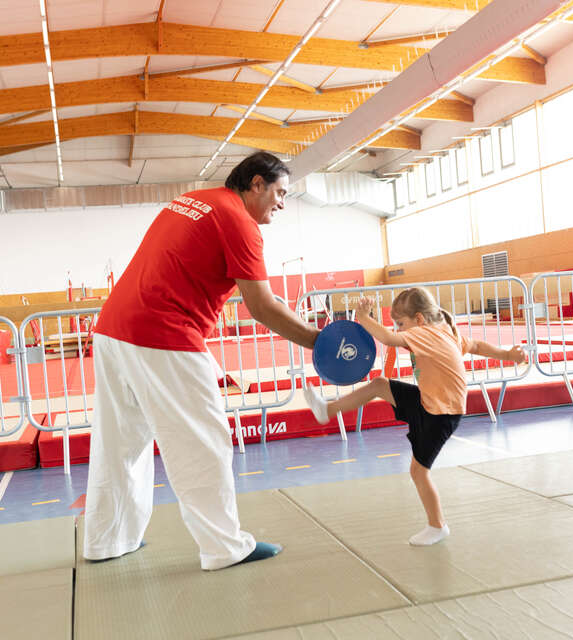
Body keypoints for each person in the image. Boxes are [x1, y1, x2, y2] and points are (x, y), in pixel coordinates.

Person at [84, 151, 320, 569]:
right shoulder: (239, 223)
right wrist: (318, 343)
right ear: (256, 184)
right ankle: (224, 548)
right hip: (163, 333)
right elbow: (262, 306)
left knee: (119, 443)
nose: (282, 203)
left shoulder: (195, 200)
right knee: (203, 442)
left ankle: (107, 541)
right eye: (280, 192)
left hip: (112, 329)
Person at [304, 287, 525, 546]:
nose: (399, 329)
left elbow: (387, 338)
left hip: (441, 413)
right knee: (380, 385)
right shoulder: (446, 332)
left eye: (401, 323)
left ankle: (437, 525)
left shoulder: (425, 332)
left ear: (419, 319)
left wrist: (363, 318)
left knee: (419, 471)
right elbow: (475, 345)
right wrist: (507, 354)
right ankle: (327, 410)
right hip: (428, 402)